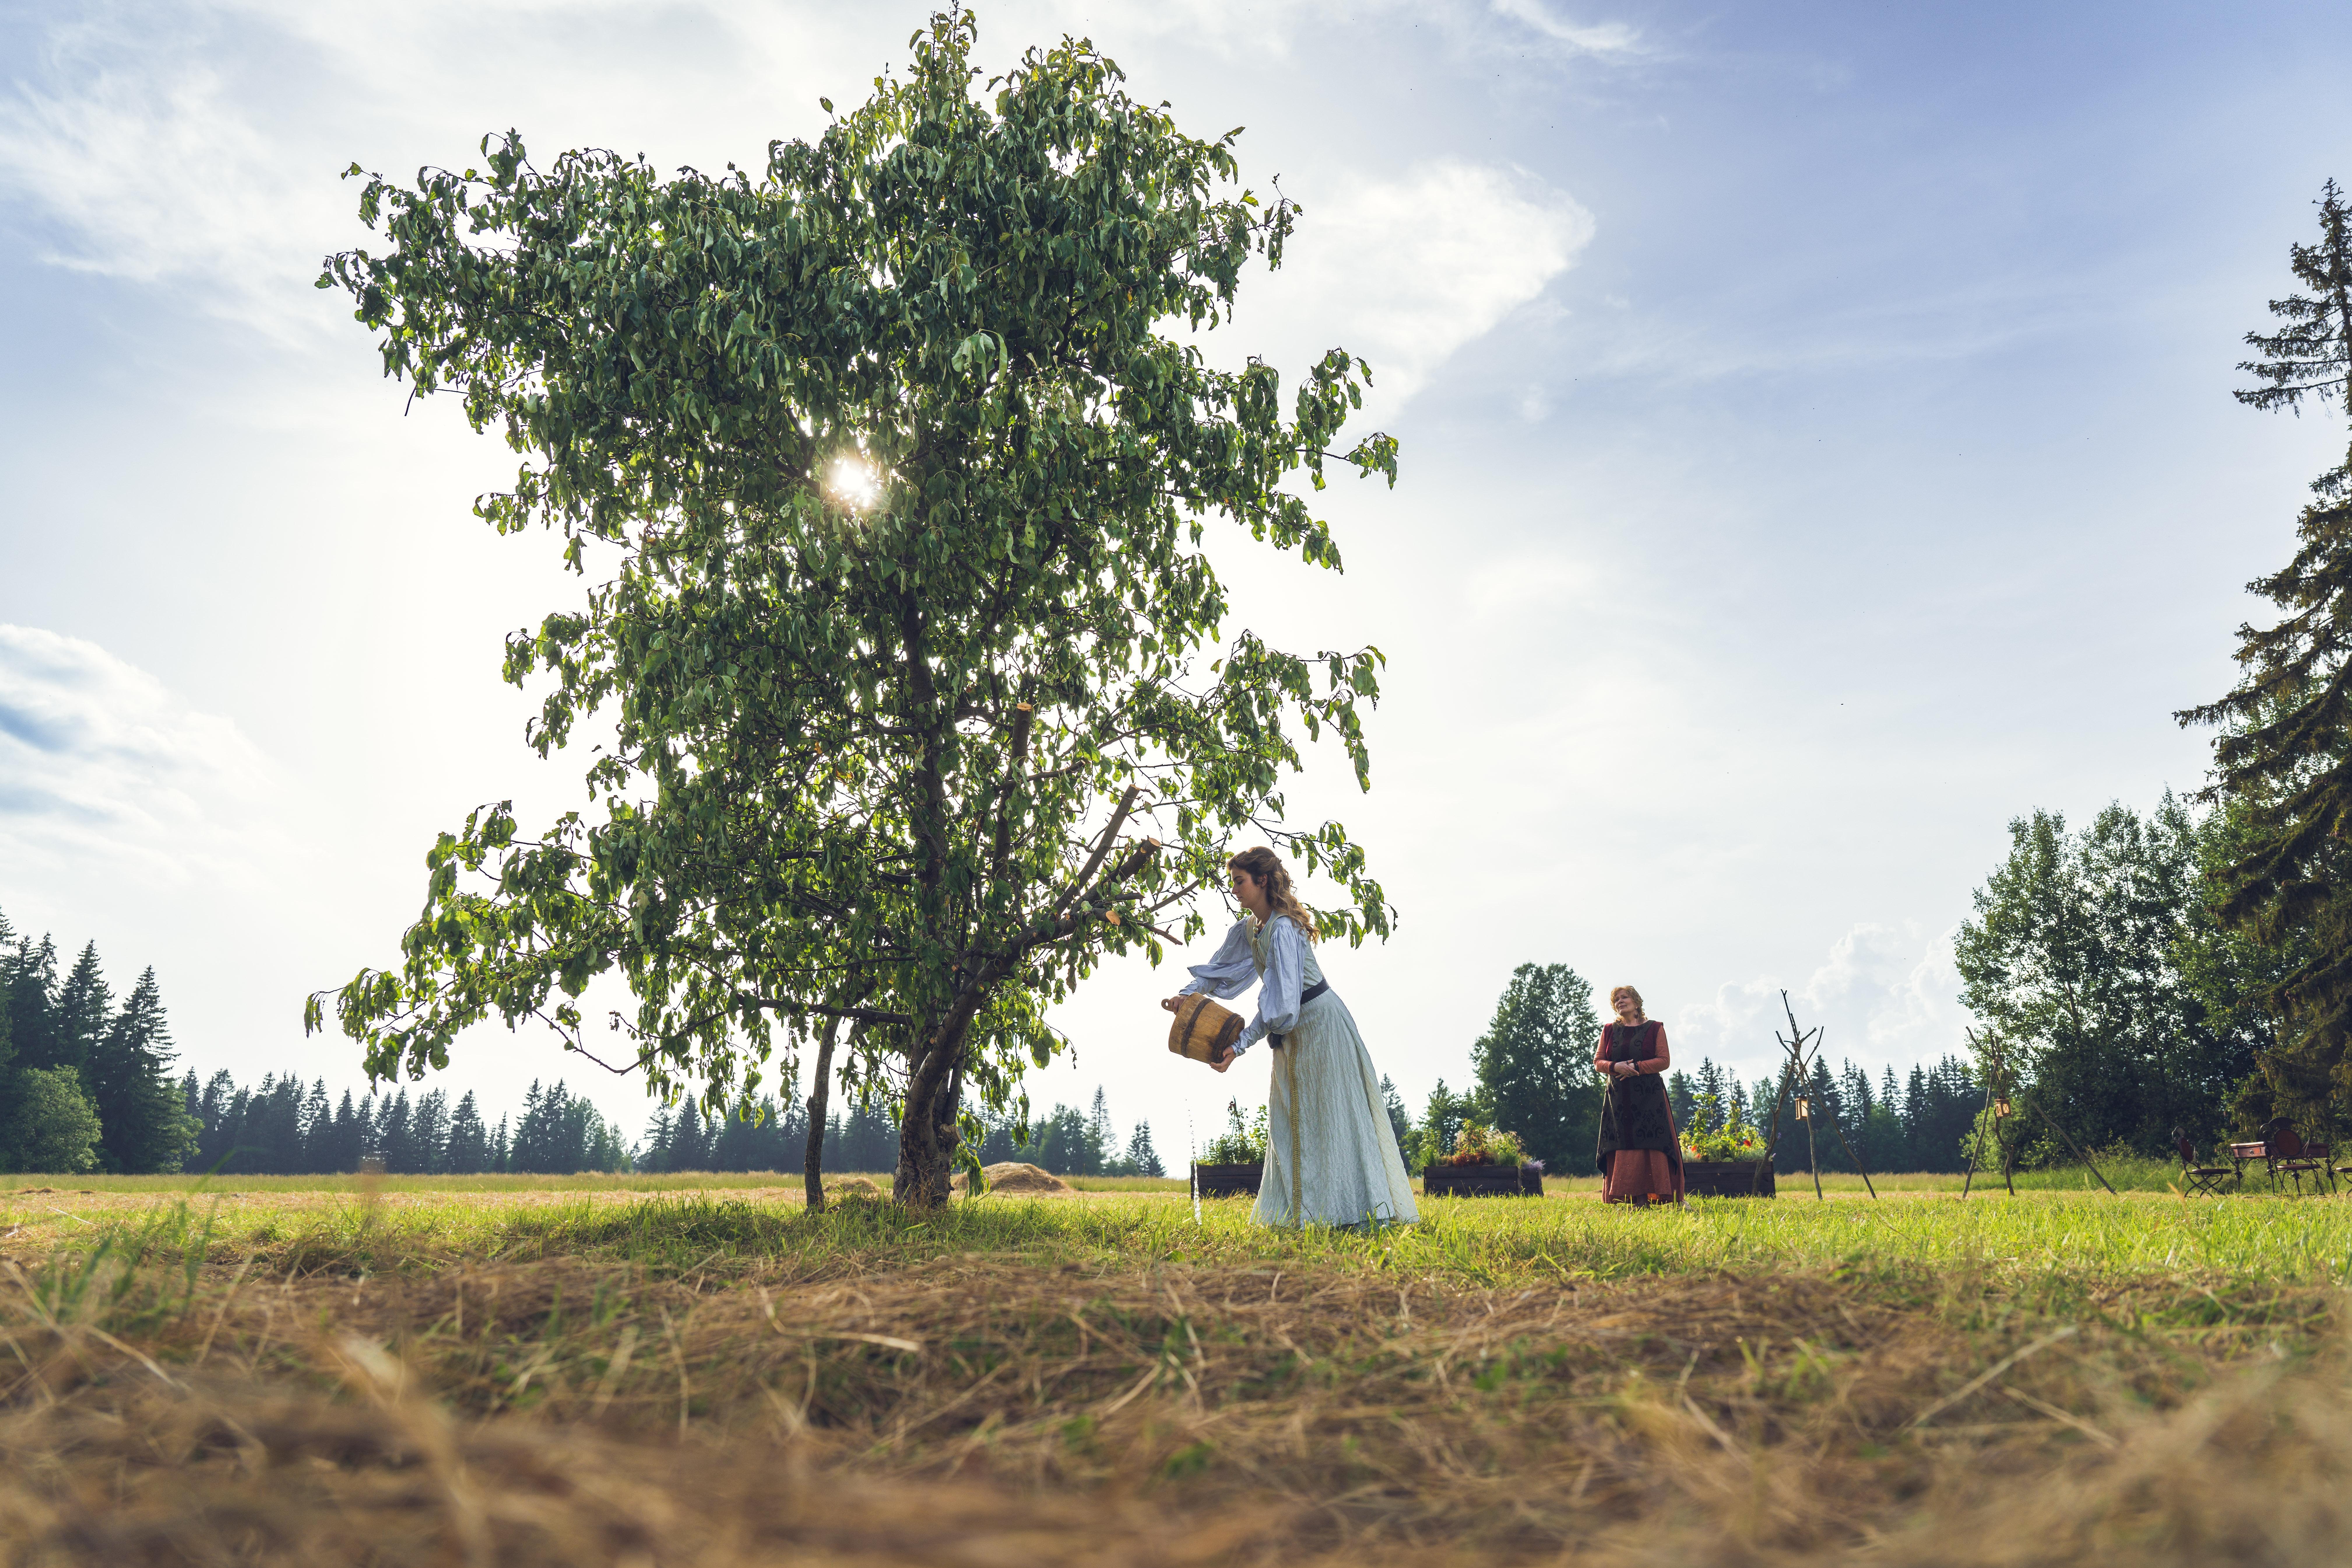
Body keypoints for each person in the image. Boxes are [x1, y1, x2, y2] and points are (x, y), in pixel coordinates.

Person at [1162, 847, 1418, 1228]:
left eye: (1239, 881)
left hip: (1320, 1027)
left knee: (1330, 1119)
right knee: (1292, 1122)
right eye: (1232, 882)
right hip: (1291, 1033)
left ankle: (1351, 1215)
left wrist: (1239, 1044)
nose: (1234, 889)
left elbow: (1280, 1006)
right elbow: (1220, 972)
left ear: (1261, 881)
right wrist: (1187, 996)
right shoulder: (1252, 929)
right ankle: (1302, 1217)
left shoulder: (1283, 930)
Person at [1593, 984, 1684, 1205]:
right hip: (1618, 1099)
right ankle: (1632, 1197)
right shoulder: (1609, 1030)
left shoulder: (1655, 1028)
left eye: (1625, 997)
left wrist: (1635, 1068)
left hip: (1649, 1098)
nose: (1620, 1002)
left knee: (1651, 1141)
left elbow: (1664, 1061)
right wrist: (1616, 1067)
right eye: (1616, 1000)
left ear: (1636, 1002)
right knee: (1623, 1143)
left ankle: (1656, 1194)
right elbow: (1598, 1062)